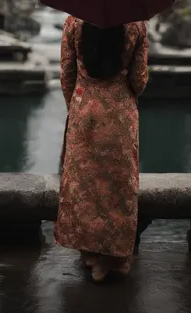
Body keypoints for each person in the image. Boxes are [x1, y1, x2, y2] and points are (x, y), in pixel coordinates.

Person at [54, 15, 149, 282]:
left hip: (85, 107)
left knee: (86, 184)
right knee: (118, 185)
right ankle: (114, 258)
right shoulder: (136, 23)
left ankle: (90, 254)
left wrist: (75, 105)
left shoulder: (73, 21)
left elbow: (66, 73)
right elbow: (139, 79)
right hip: (120, 111)